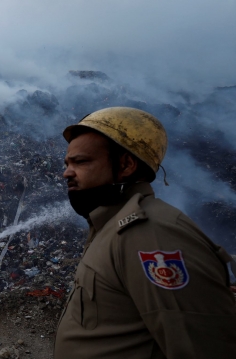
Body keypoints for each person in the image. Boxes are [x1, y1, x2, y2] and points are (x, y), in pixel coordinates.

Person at [54, 107, 236, 358]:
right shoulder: (111, 227)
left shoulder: (152, 234)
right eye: (67, 163)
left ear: (126, 164)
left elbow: (201, 347)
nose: (67, 172)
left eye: (81, 161)